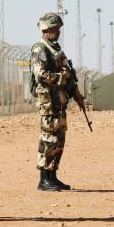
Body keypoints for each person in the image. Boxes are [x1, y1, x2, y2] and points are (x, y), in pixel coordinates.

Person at [31, 13, 85, 191]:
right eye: (56, 29)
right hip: (48, 102)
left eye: (59, 29)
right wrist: (62, 77)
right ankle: (44, 178)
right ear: (46, 30)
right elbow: (42, 75)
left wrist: (76, 94)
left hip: (58, 101)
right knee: (48, 138)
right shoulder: (40, 49)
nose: (58, 32)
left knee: (59, 139)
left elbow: (68, 76)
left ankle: (52, 175)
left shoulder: (55, 49)